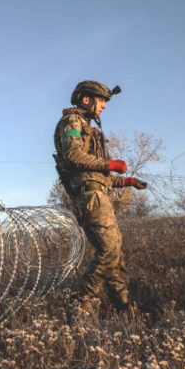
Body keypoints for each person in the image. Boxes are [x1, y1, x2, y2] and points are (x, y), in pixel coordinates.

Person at [53, 80, 148, 316]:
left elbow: (97, 174)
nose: (104, 106)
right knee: (108, 250)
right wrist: (111, 164)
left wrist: (127, 181)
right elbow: (74, 156)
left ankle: (124, 308)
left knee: (115, 253)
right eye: (102, 100)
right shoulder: (71, 122)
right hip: (90, 197)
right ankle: (80, 301)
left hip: (98, 192)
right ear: (87, 99)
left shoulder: (88, 126)